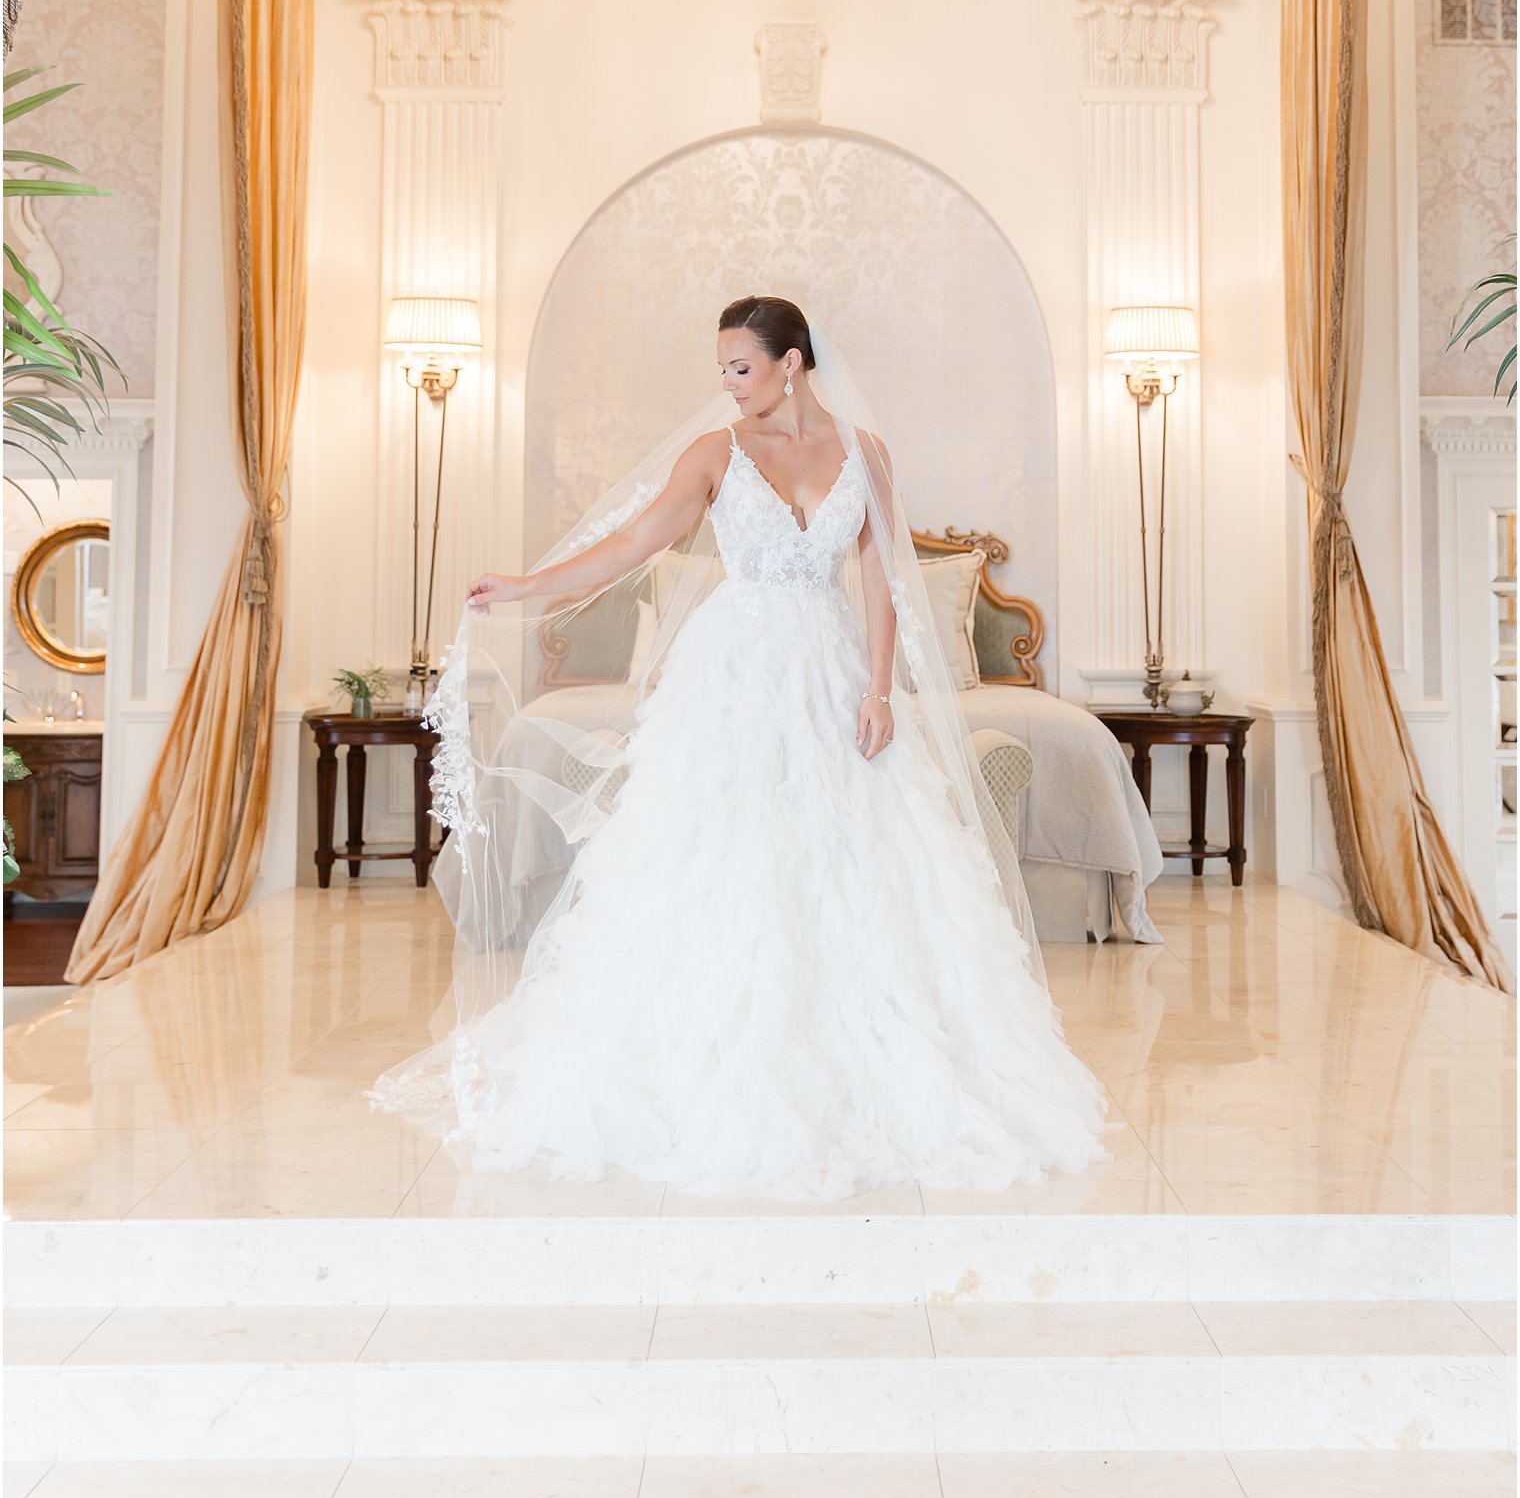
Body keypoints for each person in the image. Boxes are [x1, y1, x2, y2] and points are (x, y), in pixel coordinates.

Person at [369, 295, 1113, 1200]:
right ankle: (713, 1060)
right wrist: (527, 586)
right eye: (722, 369)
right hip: (733, 677)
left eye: (740, 367)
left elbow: (879, 576)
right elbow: (635, 542)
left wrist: (880, 688)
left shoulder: (866, 455)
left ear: (791, 362)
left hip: (833, 673)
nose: (726, 384)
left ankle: (864, 1063)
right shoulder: (716, 454)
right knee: (728, 860)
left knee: (857, 863)